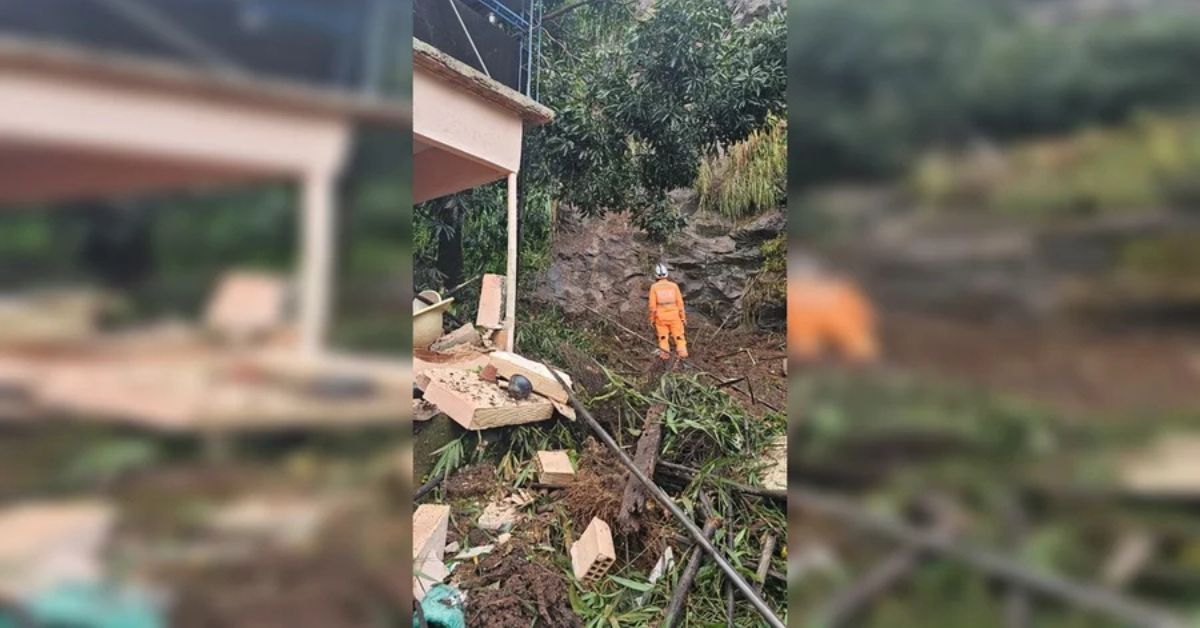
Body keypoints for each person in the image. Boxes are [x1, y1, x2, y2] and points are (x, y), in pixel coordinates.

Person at [648, 262, 688, 359]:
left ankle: (665, 354)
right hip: (675, 316)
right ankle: (682, 353)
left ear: (656, 275)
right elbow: (680, 303)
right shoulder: (674, 286)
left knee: (663, 337)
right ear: (667, 274)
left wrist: (652, 319)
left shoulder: (654, 287)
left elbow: (652, 306)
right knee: (679, 335)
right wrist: (683, 318)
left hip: (661, 318)